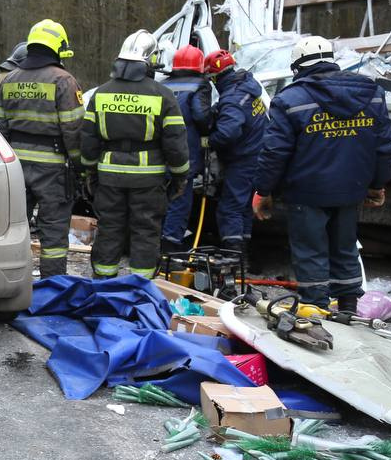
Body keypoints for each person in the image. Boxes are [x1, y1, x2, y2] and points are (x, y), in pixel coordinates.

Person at [255, 36, 391, 312]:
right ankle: (347, 310)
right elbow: (384, 146)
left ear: (297, 67)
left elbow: (275, 152)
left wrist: (264, 190)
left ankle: (316, 311)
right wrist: (378, 184)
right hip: (350, 190)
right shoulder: (370, 93)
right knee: (345, 249)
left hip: (305, 192)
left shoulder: (289, 100)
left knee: (310, 253)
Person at [81, 30, 190, 278]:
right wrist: (180, 175)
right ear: (150, 62)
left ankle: (103, 284)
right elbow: (175, 142)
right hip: (148, 180)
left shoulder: (101, 93)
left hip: (109, 177)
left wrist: (87, 170)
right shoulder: (163, 95)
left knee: (109, 228)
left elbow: (88, 139)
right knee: (145, 230)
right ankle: (140, 288)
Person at [0, 19, 84, 276]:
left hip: (15, 167)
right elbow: (73, 131)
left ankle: (10, 282)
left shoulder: (7, 80)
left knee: (13, 227)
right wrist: (80, 167)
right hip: (52, 168)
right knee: (53, 233)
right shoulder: (64, 81)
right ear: (56, 47)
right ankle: (53, 290)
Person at [203, 49, 267, 254]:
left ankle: (233, 256)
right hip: (259, 155)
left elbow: (227, 133)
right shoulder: (248, 85)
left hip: (243, 161)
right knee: (244, 207)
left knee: (230, 208)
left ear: (214, 77)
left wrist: (208, 141)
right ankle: (242, 253)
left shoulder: (232, 98)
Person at [160, 46, 213, 251]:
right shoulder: (200, 86)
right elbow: (202, 116)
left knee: (159, 199)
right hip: (185, 151)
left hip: (158, 154)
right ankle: (171, 245)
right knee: (180, 200)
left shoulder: (162, 85)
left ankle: (156, 241)